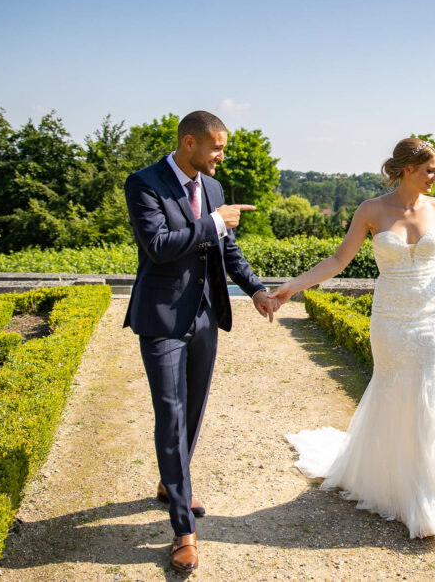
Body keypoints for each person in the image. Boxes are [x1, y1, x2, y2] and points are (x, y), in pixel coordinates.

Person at [270, 137, 435, 539]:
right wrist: (292, 287)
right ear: (406, 169)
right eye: (430, 170)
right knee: (394, 389)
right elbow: (337, 260)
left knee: (431, 390)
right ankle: (391, 484)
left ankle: (429, 490)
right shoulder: (371, 210)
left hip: (433, 314)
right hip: (391, 316)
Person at [123, 110, 280, 572]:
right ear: (189, 143)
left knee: (192, 411)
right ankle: (183, 531)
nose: (221, 156)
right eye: (216, 147)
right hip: (162, 317)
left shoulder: (212, 188)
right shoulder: (144, 183)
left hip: (207, 315)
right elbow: (159, 245)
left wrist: (255, 290)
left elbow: (226, 249)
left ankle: (171, 484)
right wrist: (213, 222)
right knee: (170, 414)